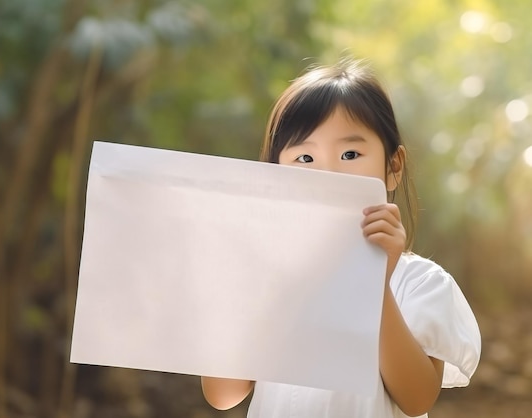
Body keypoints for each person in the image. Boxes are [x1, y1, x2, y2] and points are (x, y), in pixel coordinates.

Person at [200, 58, 481, 418]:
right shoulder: (270, 277)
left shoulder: (420, 283)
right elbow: (223, 394)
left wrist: (376, 286)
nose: (328, 172)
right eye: (304, 157)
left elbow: (417, 399)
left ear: (393, 167)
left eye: (350, 154)